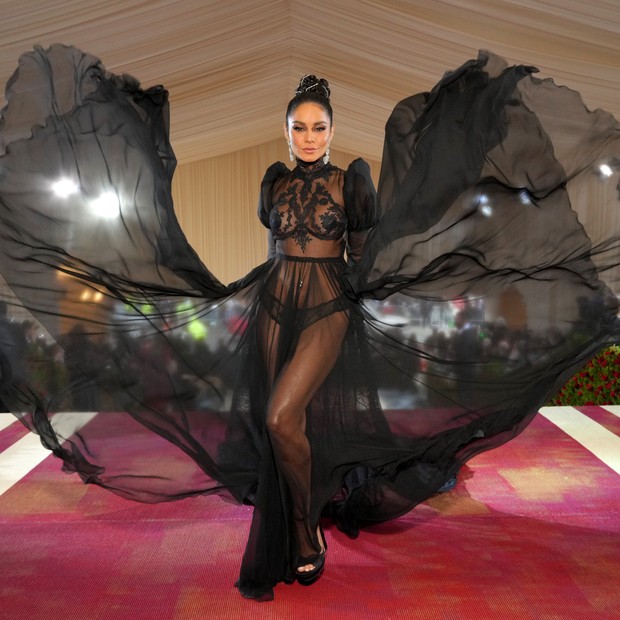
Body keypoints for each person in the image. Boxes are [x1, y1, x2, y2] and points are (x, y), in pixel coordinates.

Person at [0, 46, 619, 602]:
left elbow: (364, 253)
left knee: (280, 416)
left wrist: (382, 299)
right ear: (286, 130)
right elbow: (275, 247)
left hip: (327, 305)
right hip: (273, 302)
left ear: (331, 129)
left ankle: (301, 531)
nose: (309, 135)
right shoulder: (272, 181)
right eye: (299, 126)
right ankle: (298, 511)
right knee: (276, 424)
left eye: (318, 126)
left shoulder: (353, 181)